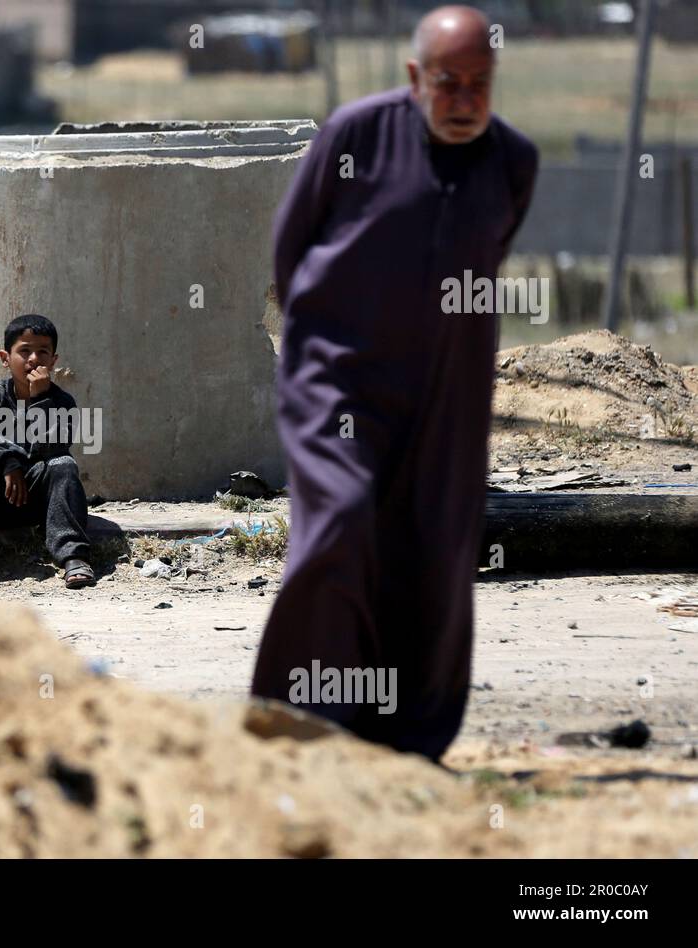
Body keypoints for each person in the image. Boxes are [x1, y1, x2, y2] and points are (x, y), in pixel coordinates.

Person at [249, 5, 539, 761]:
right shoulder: (355, 135)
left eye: (481, 83)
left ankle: (405, 738)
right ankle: (296, 717)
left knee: (435, 549)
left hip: (447, 390)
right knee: (342, 521)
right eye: (449, 82)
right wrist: (329, 333)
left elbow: (486, 255)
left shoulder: (513, 160)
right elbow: (292, 246)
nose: (466, 99)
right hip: (337, 383)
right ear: (416, 77)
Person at [0, 314, 95, 588]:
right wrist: (7, 462)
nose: (34, 359)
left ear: (53, 361)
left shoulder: (61, 401)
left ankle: (73, 556)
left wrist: (40, 400)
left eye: (42, 352)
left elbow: (54, 447)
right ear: (5, 358)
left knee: (63, 465)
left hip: (39, 503)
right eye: (24, 351)